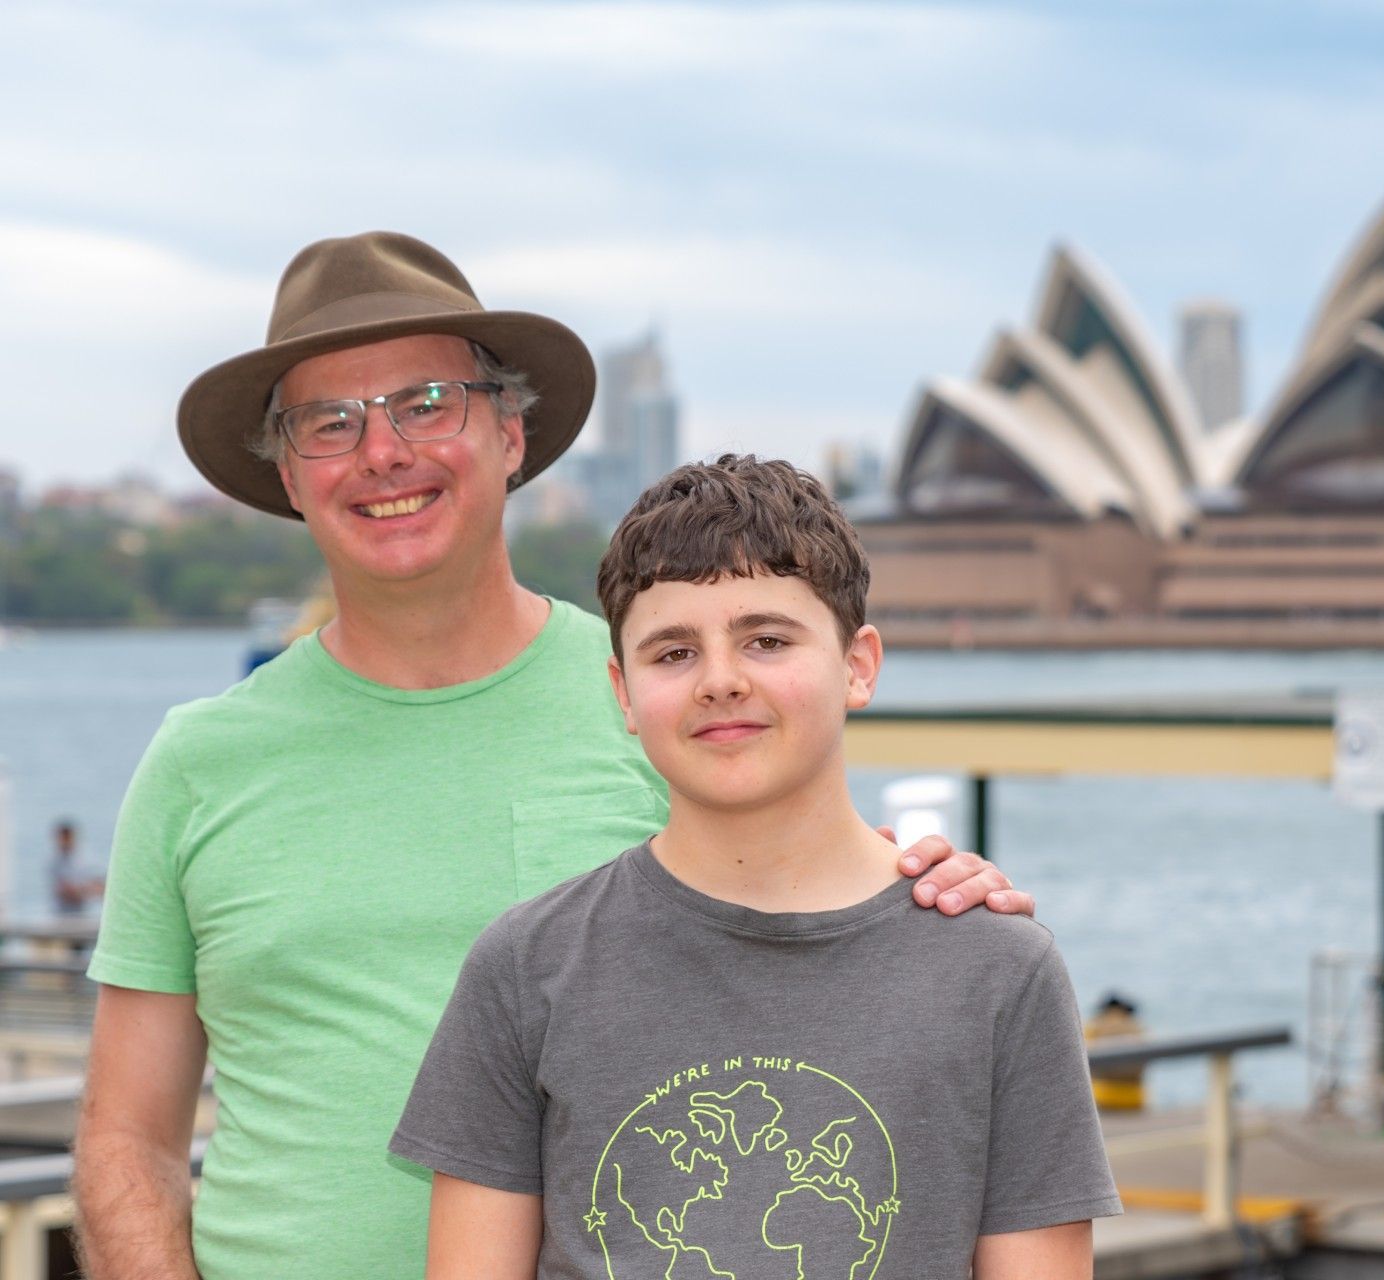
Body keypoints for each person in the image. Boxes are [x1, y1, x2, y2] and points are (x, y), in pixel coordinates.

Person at [73, 232, 1033, 1280]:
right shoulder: (197, 760)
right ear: (289, 475)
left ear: (512, 432)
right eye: (329, 422)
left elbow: (826, 918)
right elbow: (130, 1136)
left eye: (427, 402)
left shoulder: (662, 699)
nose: (382, 450)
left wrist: (932, 889)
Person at [391, 455, 1119, 1277]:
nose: (721, 681)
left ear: (858, 665)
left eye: (767, 640)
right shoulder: (526, 966)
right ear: (623, 696)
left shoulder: (999, 971)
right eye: (672, 654)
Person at [50, 819, 105, 915]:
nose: (64, 842)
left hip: (86, 915)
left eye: (66, 839)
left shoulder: (88, 859)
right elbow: (64, 892)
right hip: (62, 915)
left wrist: (80, 890)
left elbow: (101, 888)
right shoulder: (54, 862)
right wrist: (86, 889)